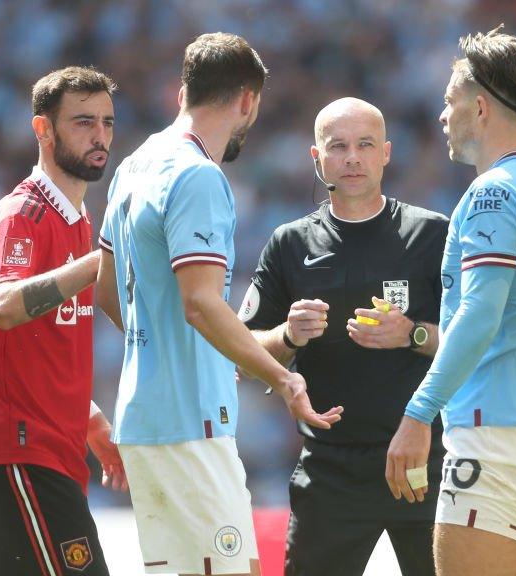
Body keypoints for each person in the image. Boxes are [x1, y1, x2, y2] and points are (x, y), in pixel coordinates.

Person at [96, 33, 343, 576]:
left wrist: (193, 352)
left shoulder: (134, 166)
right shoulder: (198, 175)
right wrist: (284, 378)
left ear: (182, 91)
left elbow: (107, 291)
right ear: (248, 100)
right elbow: (202, 305)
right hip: (191, 425)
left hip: (140, 419)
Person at [386, 25, 516, 576]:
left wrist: (418, 412)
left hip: (495, 434)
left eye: (450, 100)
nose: (442, 115)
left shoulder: (493, 193)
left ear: (480, 108)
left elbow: (482, 314)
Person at [239, 97, 448, 576]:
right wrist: (289, 335)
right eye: (338, 147)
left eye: (365, 144)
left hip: (419, 458)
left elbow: (474, 339)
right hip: (331, 468)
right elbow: (240, 352)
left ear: (386, 154)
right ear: (317, 158)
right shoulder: (290, 244)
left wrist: (412, 333)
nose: (352, 157)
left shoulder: (432, 235)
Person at [0, 66, 128, 576]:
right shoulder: (23, 216)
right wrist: (97, 263)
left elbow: (46, 348)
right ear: (43, 130)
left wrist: (90, 418)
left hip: (50, 453)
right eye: (82, 122)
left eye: (106, 121)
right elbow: (6, 305)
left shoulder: (79, 224)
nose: (99, 135)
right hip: (20, 454)